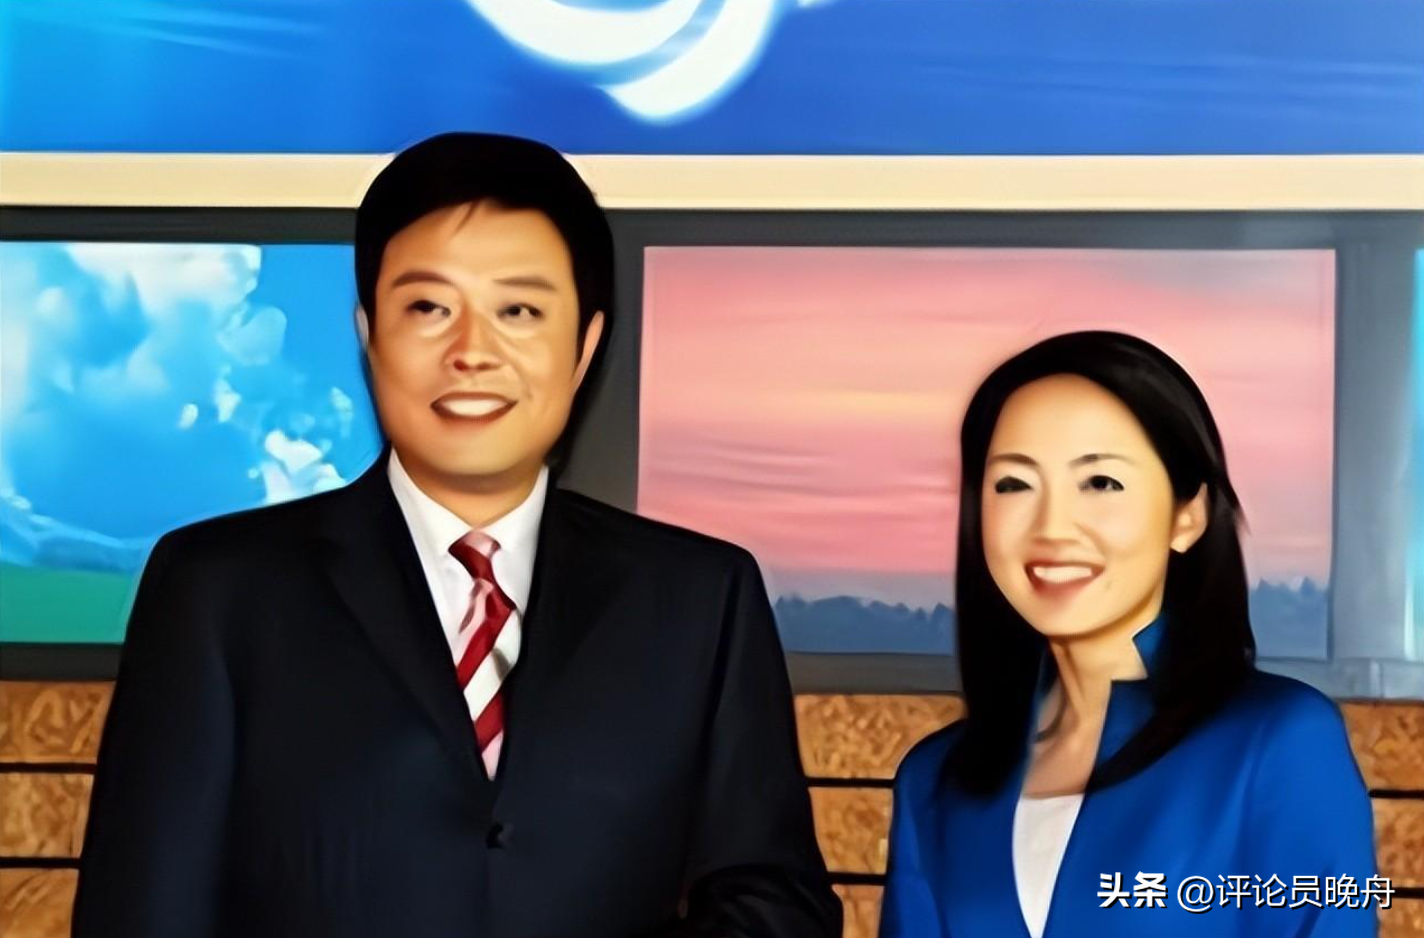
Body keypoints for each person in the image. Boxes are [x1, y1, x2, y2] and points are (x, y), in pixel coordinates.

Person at [73, 132, 841, 938]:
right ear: (370, 335)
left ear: (584, 347)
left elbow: (775, 907)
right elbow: (143, 910)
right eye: (429, 308)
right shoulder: (218, 591)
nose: (472, 352)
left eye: (519, 311)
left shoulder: (699, 602)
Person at [881, 331, 1377, 937]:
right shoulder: (936, 779)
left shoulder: (1281, 741)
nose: (1052, 527)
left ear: (1187, 515)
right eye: (1013, 484)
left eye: (1100, 483)